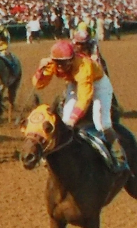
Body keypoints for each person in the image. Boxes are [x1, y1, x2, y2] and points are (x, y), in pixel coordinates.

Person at [32, 39, 125, 170]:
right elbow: (38, 85)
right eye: (58, 63)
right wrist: (40, 70)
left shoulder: (84, 67)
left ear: (72, 59)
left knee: (101, 123)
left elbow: (84, 98)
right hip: (74, 83)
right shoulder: (53, 63)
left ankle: (118, 153)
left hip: (98, 84)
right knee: (63, 121)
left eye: (65, 63)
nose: (61, 67)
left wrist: (73, 119)